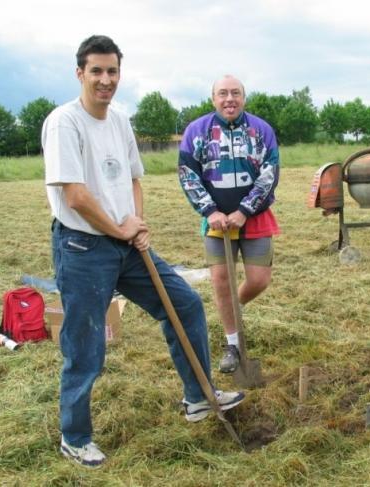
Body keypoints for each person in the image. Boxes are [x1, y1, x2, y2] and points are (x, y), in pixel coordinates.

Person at [42, 35, 244, 468]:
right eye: (96, 70)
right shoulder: (65, 122)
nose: (105, 80)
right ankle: (74, 436)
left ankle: (198, 398)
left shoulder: (119, 120)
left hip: (126, 245)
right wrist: (119, 227)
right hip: (82, 247)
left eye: (112, 71)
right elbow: (75, 195)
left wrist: (138, 225)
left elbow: (134, 179)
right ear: (80, 73)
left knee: (184, 304)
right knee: (86, 343)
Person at [178, 75, 280, 373]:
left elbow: (270, 173)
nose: (229, 99)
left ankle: (231, 310)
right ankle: (232, 343)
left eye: (235, 93)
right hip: (216, 222)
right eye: (222, 93)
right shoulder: (197, 131)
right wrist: (210, 210)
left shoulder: (261, 131)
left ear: (243, 98)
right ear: (213, 99)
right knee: (221, 280)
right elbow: (188, 173)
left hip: (255, 217)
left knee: (259, 280)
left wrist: (245, 210)